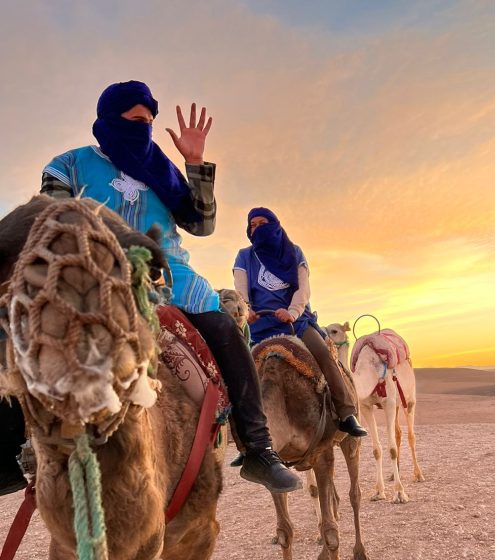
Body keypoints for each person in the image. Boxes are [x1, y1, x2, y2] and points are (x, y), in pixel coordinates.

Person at [0, 80, 301, 496]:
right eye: (135, 120)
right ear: (109, 120)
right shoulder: (70, 164)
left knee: (224, 330)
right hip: (95, 273)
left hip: (168, 275)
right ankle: (14, 451)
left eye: (149, 122)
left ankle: (257, 447)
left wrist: (194, 163)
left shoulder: (162, 169)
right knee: (22, 328)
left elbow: (201, 224)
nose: (143, 129)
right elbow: (52, 221)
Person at [232, 207, 368, 454]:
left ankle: (346, 414)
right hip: (259, 325)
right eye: (253, 225)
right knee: (239, 370)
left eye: (263, 223)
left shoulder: (294, 253)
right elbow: (240, 289)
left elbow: (303, 289)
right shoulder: (244, 256)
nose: (258, 228)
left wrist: (292, 312)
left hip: (296, 322)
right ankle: (245, 437)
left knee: (324, 355)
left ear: (275, 226)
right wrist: (247, 309)